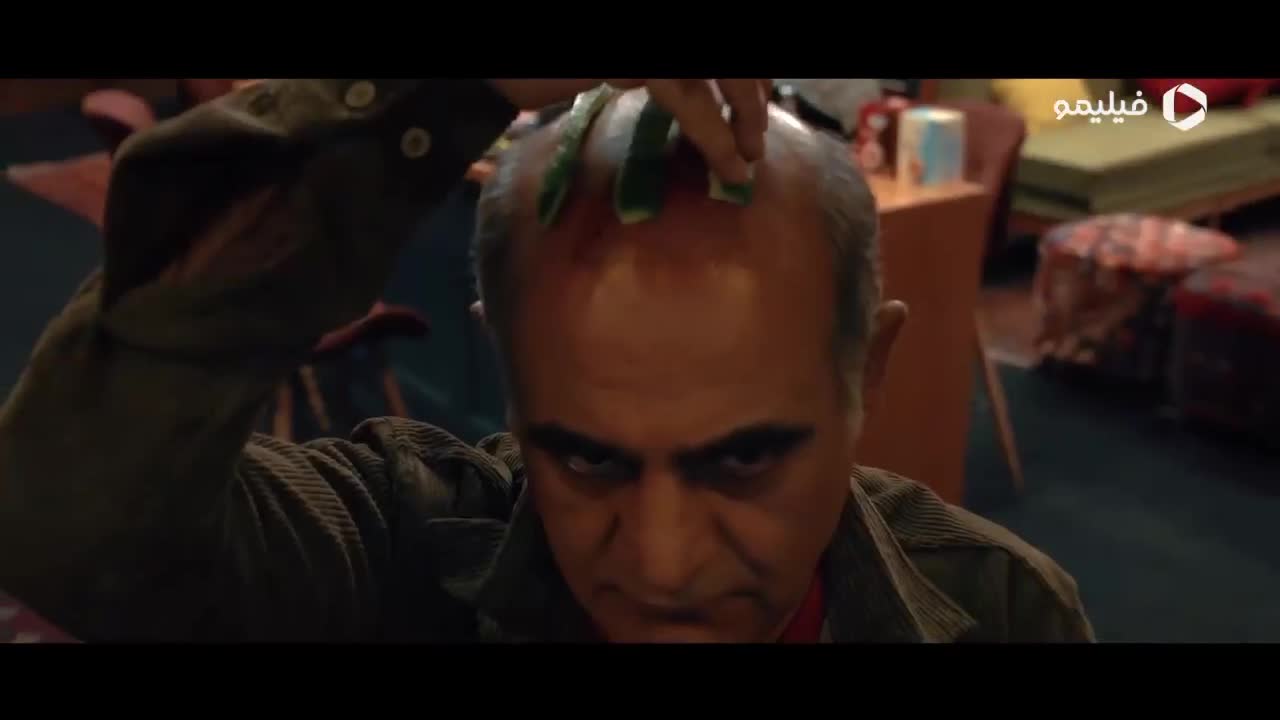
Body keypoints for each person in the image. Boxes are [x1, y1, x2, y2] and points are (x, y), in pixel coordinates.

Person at [0, 79, 1092, 642]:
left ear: (868, 369)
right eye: (588, 461)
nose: (663, 567)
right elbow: (71, 533)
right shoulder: (405, 553)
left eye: (744, 461)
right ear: (508, 376)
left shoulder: (1001, 611)